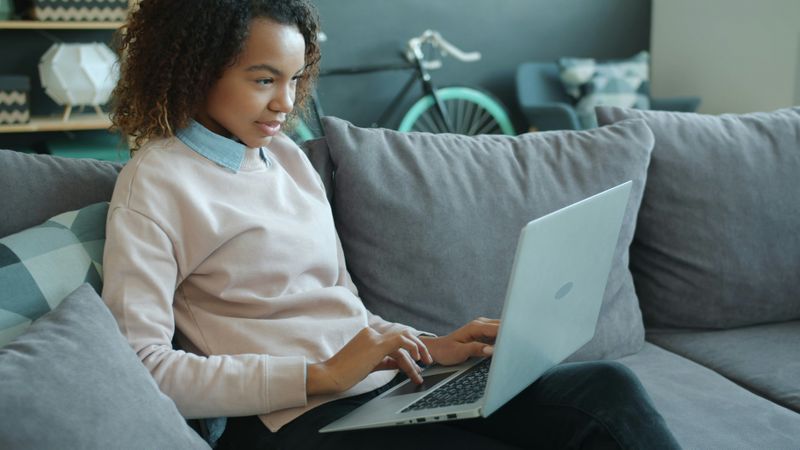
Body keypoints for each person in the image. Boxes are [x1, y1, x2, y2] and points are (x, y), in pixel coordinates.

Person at [104, 1, 681, 449]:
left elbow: (341, 304)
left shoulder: (287, 160)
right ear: (197, 70)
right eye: (263, 80)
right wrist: (323, 375)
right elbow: (142, 367)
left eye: (295, 78)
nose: (286, 102)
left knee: (607, 388)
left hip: (385, 387)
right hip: (296, 418)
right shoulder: (155, 182)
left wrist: (434, 347)